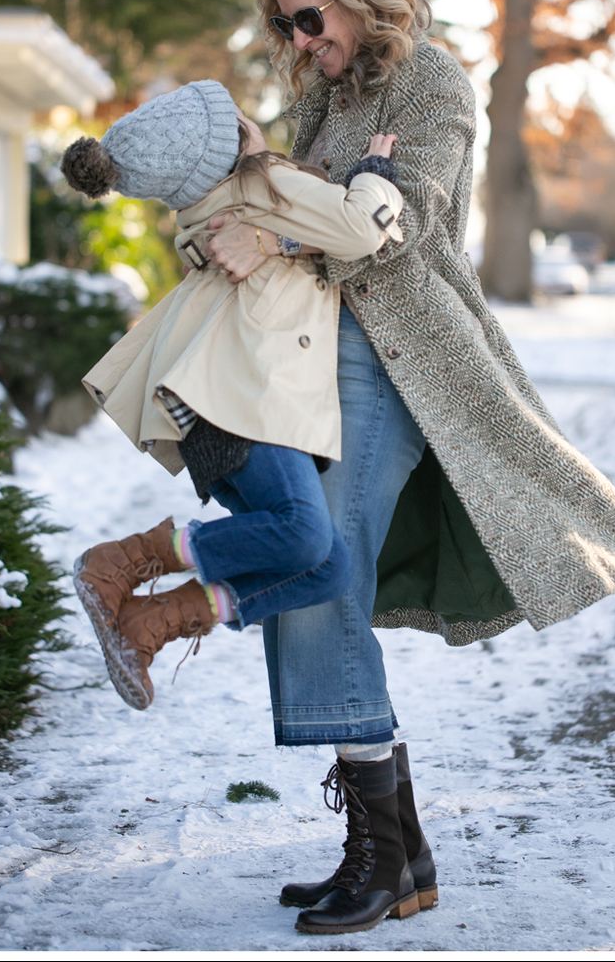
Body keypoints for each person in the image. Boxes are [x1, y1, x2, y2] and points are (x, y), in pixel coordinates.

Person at [204, 0, 615, 936]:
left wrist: (295, 216)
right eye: (284, 25)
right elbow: (317, 214)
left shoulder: (434, 83)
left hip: (402, 364)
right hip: (310, 366)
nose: (298, 41)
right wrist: (266, 184)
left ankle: (379, 857)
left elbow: (399, 222)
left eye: (309, 18)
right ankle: (400, 854)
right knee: (318, 570)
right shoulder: (324, 98)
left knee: (321, 562)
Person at [59, 79, 406, 716]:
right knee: (302, 535)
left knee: (326, 567)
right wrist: (375, 175)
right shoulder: (265, 186)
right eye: (236, 119)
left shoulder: (205, 209)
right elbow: (362, 230)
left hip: (212, 408)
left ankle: (151, 622)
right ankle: (122, 561)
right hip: (247, 398)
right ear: (231, 143)